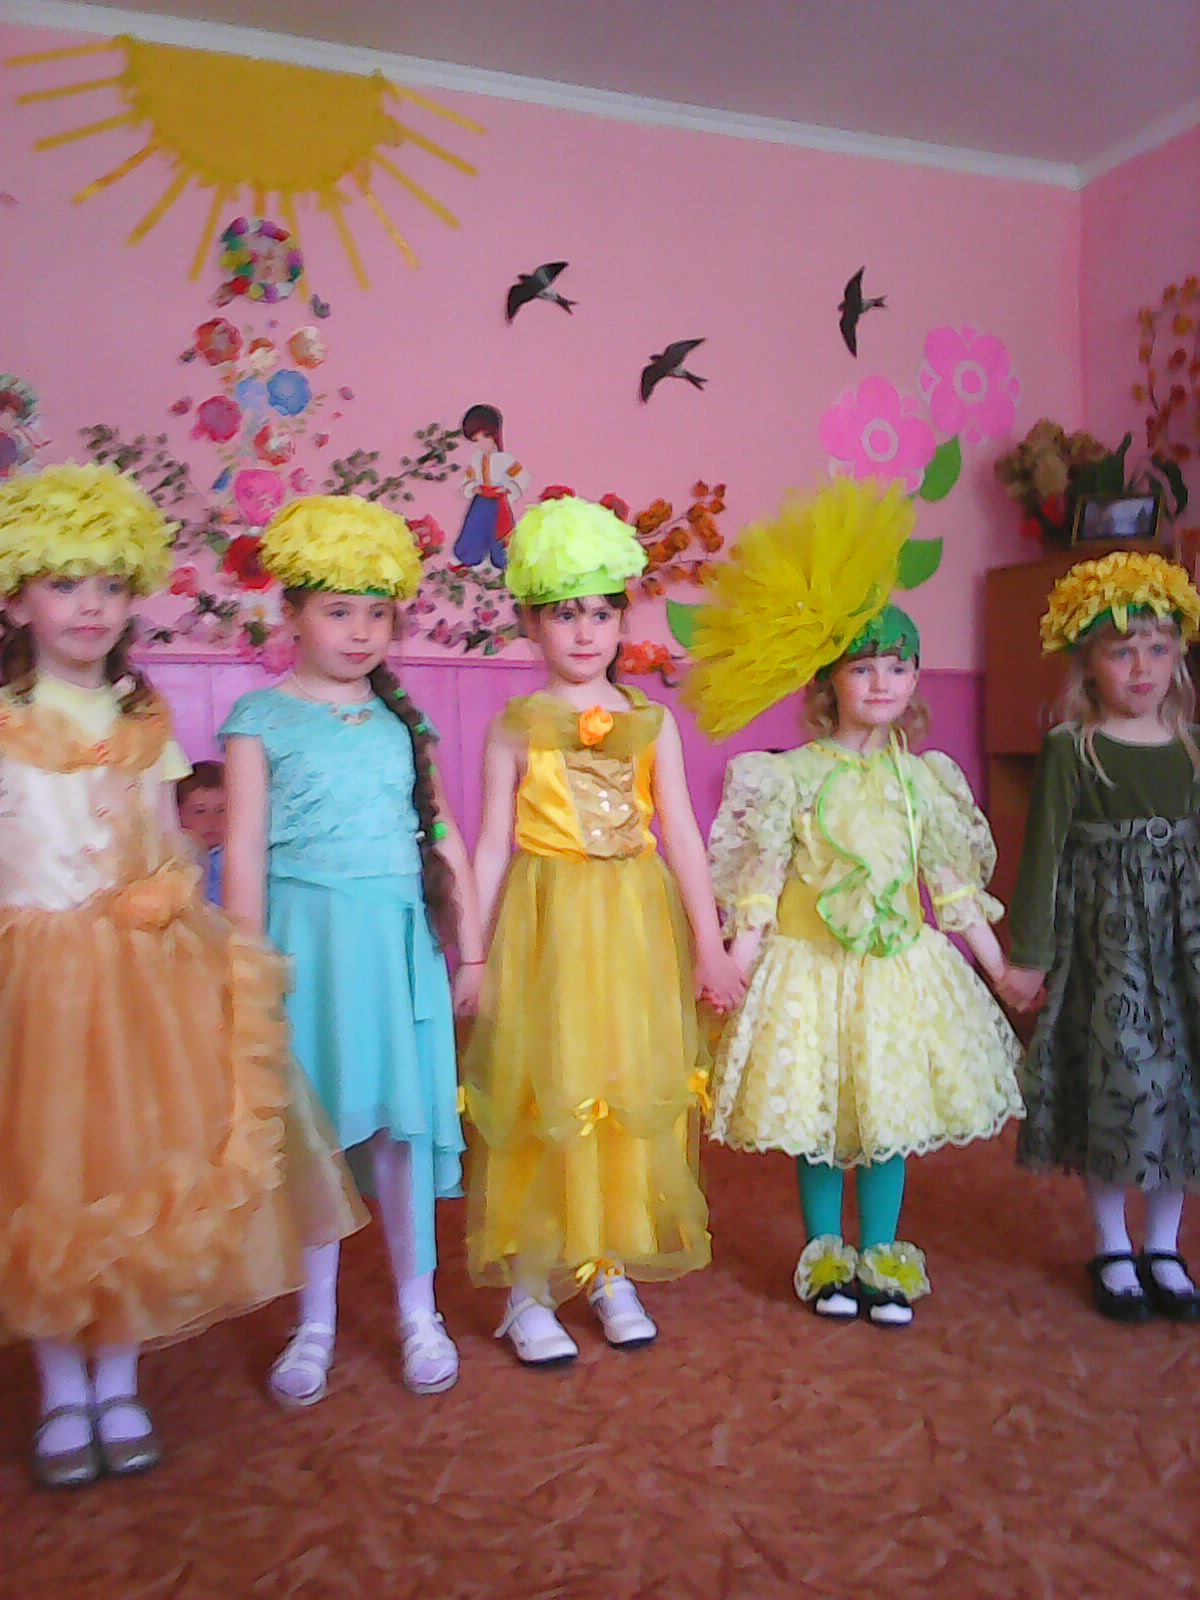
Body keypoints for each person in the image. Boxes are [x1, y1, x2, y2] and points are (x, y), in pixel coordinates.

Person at [0, 464, 363, 1489]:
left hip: (140, 978)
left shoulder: (141, 716)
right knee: (42, 1178)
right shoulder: (5, 718)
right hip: (33, 979)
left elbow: (167, 841)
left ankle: (118, 1379)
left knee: (136, 1171)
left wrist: (170, 904)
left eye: (111, 586)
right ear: (18, 599)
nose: (90, 606)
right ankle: (60, 1390)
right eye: (65, 584)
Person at [689, 478, 1024, 1327]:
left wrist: (999, 971)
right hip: (809, 969)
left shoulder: (925, 780)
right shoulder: (788, 777)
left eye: (897, 667)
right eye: (862, 667)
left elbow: (952, 888)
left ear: (915, 678)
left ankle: (881, 1253)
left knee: (888, 1114)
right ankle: (824, 1254)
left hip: (897, 973)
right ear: (829, 681)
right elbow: (760, 886)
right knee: (816, 1116)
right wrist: (734, 963)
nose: (881, 683)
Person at [461, 494, 745, 1365]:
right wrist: (471, 951)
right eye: (563, 614)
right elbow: (491, 843)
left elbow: (683, 833)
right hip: (548, 928)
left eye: (600, 612)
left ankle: (608, 1264)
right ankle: (528, 1286)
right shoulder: (515, 728)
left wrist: (710, 947)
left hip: (632, 928)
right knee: (547, 1084)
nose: (584, 632)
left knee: (621, 1081)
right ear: (530, 623)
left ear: (623, 619)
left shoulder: (650, 724)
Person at [223, 495, 483, 1403]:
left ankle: (419, 1312)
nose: (361, 630)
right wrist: (247, 970)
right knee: (316, 1135)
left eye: (377, 612)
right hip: (307, 952)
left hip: (393, 951)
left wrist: (473, 952)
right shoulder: (259, 717)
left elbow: (442, 834)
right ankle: (316, 1323)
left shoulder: (403, 723)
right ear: (292, 614)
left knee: (402, 1133)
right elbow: (243, 853)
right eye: (338, 611)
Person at [1000, 551, 1200, 1322]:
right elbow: (1042, 858)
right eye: (1122, 651)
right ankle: (1113, 1242)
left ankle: (1165, 1246)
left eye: (1157, 648)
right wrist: (1028, 957)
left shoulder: (1191, 746)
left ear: (1179, 655)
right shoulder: (1071, 748)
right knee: (1120, 1086)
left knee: (1179, 1088)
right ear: (1088, 664)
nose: (1142, 668)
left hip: (1183, 948)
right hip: (1107, 951)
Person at [452, 404, 530, 571]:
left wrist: (508, 489)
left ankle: (501, 561)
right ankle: (470, 557)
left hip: (498, 501)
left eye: (484, 437)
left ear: (493, 435)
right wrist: (472, 488)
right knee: (474, 527)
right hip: (480, 500)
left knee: (499, 531)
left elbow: (522, 477)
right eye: (476, 440)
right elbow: (468, 479)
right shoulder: (476, 459)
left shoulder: (505, 459)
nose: (481, 443)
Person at [177, 759, 226, 903]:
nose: (211, 820)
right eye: (200, 811)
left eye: (221, 810)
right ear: (177, 813)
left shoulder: (236, 859)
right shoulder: (175, 858)